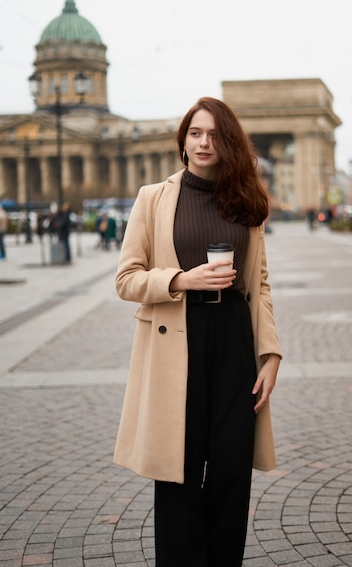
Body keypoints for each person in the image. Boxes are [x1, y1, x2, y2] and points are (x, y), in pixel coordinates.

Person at [114, 97, 283, 567]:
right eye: (195, 133)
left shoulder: (247, 201)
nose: (203, 142)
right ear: (183, 141)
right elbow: (126, 279)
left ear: (227, 144)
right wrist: (180, 279)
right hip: (177, 337)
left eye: (214, 135)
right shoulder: (154, 197)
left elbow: (260, 286)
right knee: (178, 472)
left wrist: (270, 355)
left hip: (233, 338)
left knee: (231, 471)